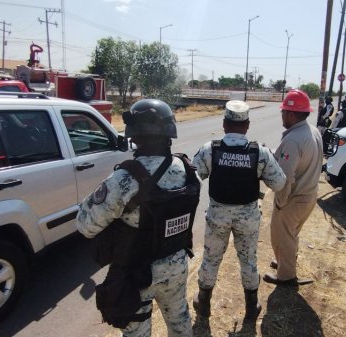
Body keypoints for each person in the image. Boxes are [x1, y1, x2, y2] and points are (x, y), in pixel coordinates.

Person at [77, 98, 200, 337]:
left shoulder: (125, 179)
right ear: (169, 132)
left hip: (138, 274)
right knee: (180, 320)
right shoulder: (187, 169)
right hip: (176, 265)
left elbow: (85, 226)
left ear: (133, 136)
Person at [191, 100, 286, 320]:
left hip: (218, 216)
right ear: (247, 126)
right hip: (248, 218)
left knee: (211, 260)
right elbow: (279, 183)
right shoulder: (260, 153)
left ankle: (203, 304)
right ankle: (252, 308)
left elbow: (193, 180)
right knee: (249, 261)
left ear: (224, 124)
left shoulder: (210, 150)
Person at [263, 89, 324, 286]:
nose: (281, 115)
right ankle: (284, 262)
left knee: (282, 235)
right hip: (309, 194)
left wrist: (280, 202)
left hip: (294, 198)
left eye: (282, 112)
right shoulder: (311, 131)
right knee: (291, 234)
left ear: (290, 113)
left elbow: (284, 177)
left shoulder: (293, 139)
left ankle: (286, 276)